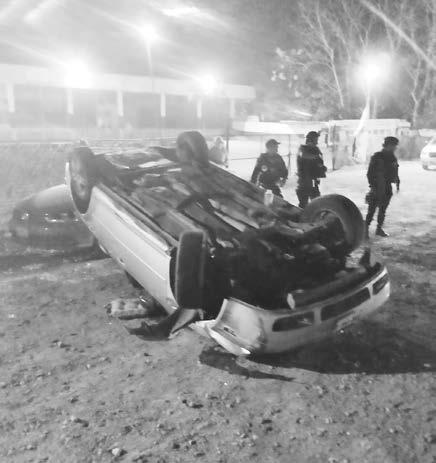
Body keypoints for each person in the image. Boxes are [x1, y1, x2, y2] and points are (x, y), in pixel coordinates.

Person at [365, 136, 400, 237]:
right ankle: (365, 229)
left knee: (383, 209)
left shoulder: (392, 157)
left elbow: (395, 171)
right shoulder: (377, 156)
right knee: (372, 209)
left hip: (387, 186)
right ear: (388, 145)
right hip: (377, 186)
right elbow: (370, 173)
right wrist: (373, 186)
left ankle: (379, 229)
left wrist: (397, 182)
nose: (395, 147)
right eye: (394, 145)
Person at [296, 131, 327, 208]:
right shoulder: (302, 148)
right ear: (311, 140)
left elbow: (319, 163)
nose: (317, 141)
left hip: (313, 181)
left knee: (317, 204)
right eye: (316, 139)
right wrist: (315, 157)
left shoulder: (316, 149)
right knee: (303, 205)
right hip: (304, 182)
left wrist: (322, 168)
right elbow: (304, 156)